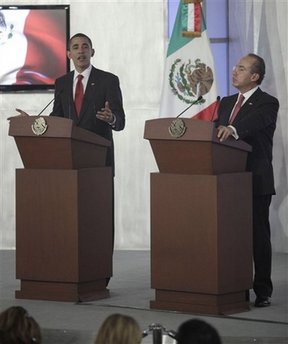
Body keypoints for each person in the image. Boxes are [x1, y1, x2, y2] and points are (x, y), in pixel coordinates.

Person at [216, 53, 279, 307]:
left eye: (241, 69)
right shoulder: (227, 101)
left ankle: (262, 290)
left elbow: (254, 123)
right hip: (227, 180)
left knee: (258, 236)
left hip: (255, 179)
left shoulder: (268, 103)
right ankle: (235, 285)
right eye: (235, 67)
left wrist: (233, 129)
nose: (234, 71)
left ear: (254, 76)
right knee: (230, 235)